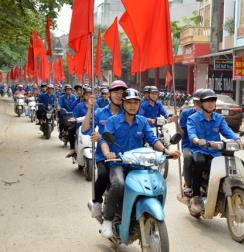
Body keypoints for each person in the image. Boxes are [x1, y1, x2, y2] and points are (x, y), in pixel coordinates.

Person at [99, 88, 180, 238]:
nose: (132, 106)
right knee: (119, 184)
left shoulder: (142, 121)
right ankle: (108, 221)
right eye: (128, 102)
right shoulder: (113, 121)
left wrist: (166, 151)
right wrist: (107, 153)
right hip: (118, 163)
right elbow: (104, 139)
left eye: (135, 102)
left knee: (155, 183)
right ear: (123, 103)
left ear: (139, 104)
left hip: (138, 164)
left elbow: (152, 139)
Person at [187, 89, 244, 214]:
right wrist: (196, 140)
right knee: (199, 162)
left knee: (239, 163)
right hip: (200, 149)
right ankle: (196, 196)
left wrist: (239, 141)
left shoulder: (219, 118)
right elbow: (191, 133)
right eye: (207, 101)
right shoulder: (193, 118)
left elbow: (227, 131)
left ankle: (225, 190)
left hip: (216, 151)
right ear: (201, 103)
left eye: (213, 101)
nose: (210, 104)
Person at [81, 80, 128, 218]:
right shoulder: (100, 112)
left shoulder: (129, 111)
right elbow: (85, 130)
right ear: (110, 94)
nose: (119, 95)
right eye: (116, 92)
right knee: (102, 175)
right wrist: (90, 109)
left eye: (122, 93)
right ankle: (96, 202)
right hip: (104, 156)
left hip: (125, 155)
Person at [178, 89, 204, 197]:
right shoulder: (186, 114)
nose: (200, 105)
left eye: (202, 103)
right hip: (189, 144)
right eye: (197, 102)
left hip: (205, 146)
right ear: (194, 103)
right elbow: (183, 134)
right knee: (188, 158)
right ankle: (188, 184)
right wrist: (177, 125)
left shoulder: (212, 115)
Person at [66, 85, 92, 157]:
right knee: (71, 129)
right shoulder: (79, 105)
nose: (88, 96)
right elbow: (75, 116)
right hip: (81, 126)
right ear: (83, 96)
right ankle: (72, 148)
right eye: (87, 94)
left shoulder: (95, 105)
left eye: (90, 94)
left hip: (93, 126)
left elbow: (100, 113)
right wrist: (73, 119)